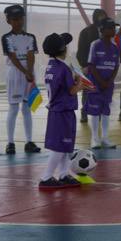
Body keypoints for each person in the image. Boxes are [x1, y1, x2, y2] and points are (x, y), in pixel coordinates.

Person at [40, 33, 85, 189]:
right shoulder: (63, 68)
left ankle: (64, 174)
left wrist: (74, 81)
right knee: (60, 147)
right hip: (63, 110)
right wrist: (81, 83)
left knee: (66, 145)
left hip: (57, 110)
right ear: (62, 49)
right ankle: (46, 177)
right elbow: (71, 90)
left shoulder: (51, 65)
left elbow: (61, 87)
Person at [0, 5, 41, 155]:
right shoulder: (7, 38)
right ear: (8, 21)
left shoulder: (30, 37)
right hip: (14, 74)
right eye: (15, 19)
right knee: (13, 108)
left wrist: (29, 72)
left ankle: (29, 141)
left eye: (20, 18)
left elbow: (31, 55)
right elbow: (12, 56)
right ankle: (10, 143)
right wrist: (25, 72)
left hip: (28, 74)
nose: (18, 22)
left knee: (27, 108)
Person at [85, 18, 120, 149]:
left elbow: (116, 66)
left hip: (108, 85)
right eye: (110, 28)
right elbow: (91, 65)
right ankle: (94, 138)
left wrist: (109, 81)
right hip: (95, 83)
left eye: (114, 28)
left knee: (106, 111)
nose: (113, 30)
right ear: (102, 30)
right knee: (95, 110)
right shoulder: (95, 45)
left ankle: (105, 137)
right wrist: (101, 81)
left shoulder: (115, 47)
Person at [76, 9, 108, 123]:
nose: (102, 19)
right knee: (87, 90)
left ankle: (98, 112)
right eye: (100, 16)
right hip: (89, 67)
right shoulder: (86, 32)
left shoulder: (107, 31)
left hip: (103, 67)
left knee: (101, 91)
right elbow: (81, 51)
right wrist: (84, 65)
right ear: (95, 18)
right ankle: (84, 113)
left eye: (103, 16)